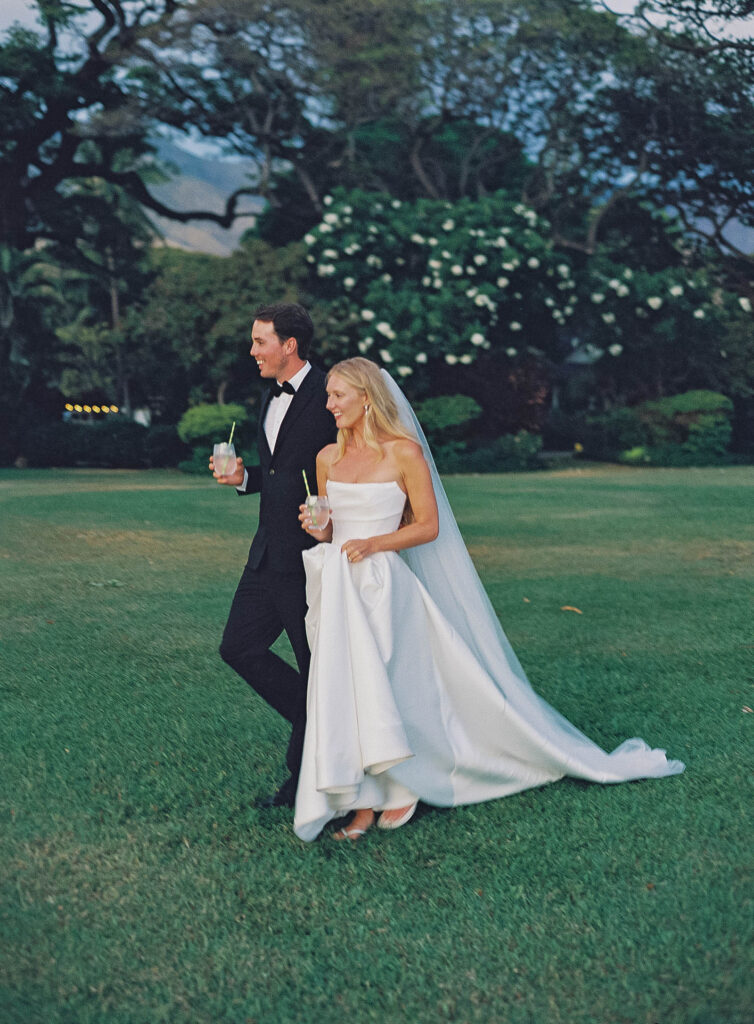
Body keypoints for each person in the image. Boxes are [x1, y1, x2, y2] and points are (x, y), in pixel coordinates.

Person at [294, 358, 684, 842]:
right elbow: (332, 527)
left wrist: (375, 543)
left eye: (337, 396)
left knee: (387, 686)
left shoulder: (403, 453)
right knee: (344, 689)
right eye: (329, 395)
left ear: (367, 397)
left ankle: (402, 787)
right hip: (337, 585)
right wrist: (321, 527)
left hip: (382, 587)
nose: (328, 404)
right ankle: (360, 800)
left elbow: (428, 526)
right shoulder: (327, 458)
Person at [210, 303, 336, 809]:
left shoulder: (331, 394)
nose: (252, 350)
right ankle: (317, 717)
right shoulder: (268, 397)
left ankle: (305, 777)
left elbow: (348, 471)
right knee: (238, 648)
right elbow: (282, 478)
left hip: (310, 559)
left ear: (290, 345)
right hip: (265, 555)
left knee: (315, 666)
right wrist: (244, 479)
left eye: (260, 341)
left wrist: (334, 524)